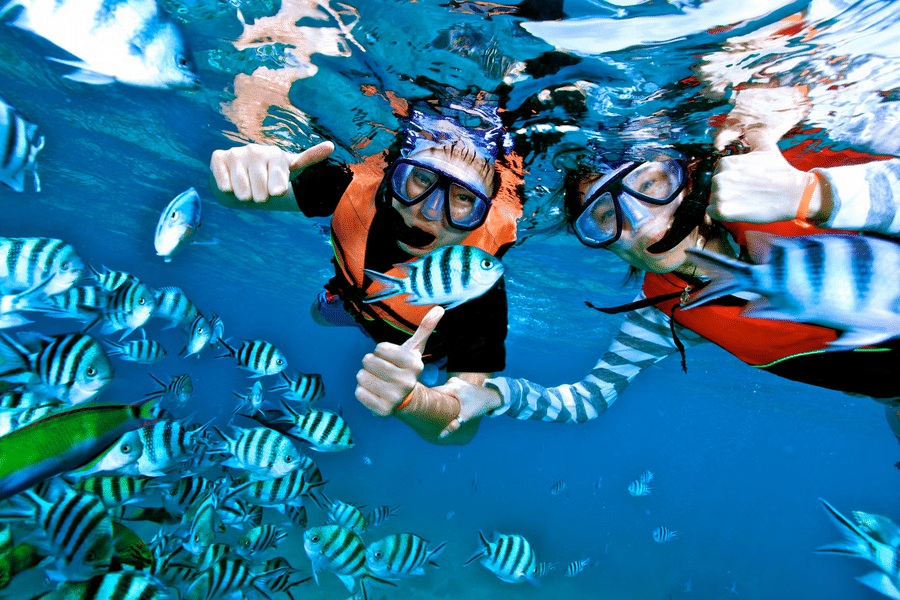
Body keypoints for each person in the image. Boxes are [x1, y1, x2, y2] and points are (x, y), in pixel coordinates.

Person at [425, 114, 900, 440]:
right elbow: (589, 399)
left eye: (651, 184)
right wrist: (491, 396)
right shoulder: (674, 313)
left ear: (690, 179)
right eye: (603, 217)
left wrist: (812, 193)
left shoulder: (803, 184)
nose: (635, 218)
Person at [209, 98, 523, 445]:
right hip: (353, 296)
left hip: (422, 350)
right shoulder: (344, 185)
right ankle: (348, 307)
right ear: (393, 173)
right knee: (320, 315)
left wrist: (413, 400)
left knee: (429, 374)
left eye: (463, 198)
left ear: (485, 211)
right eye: (421, 178)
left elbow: (460, 429)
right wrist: (241, 173)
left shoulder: (476, 287)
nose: (432, 211)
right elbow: (229, 195)